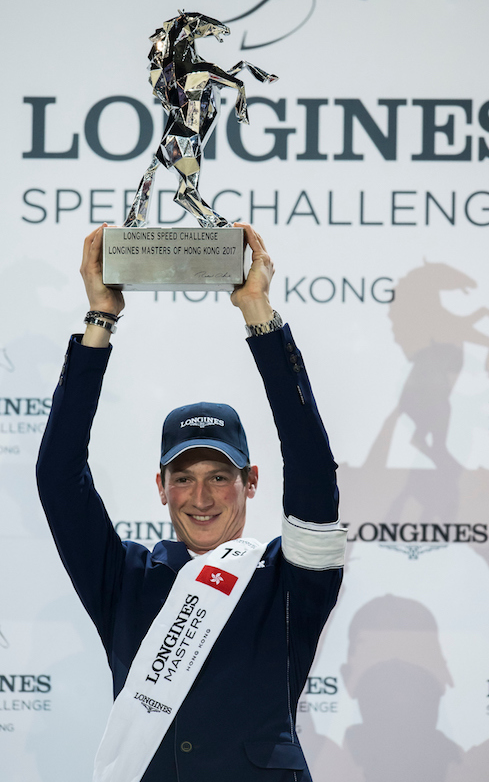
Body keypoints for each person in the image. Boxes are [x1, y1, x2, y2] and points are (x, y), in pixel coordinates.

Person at [36, 223, 347, 782]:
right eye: (183, 477)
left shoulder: (291, 578)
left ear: (251, 481)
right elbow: (58, 477)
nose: (200, 497)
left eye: (219, 476)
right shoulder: (126, 578)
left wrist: (259, 315)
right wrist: (99, 319)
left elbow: (312, 467)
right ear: (160, 487)